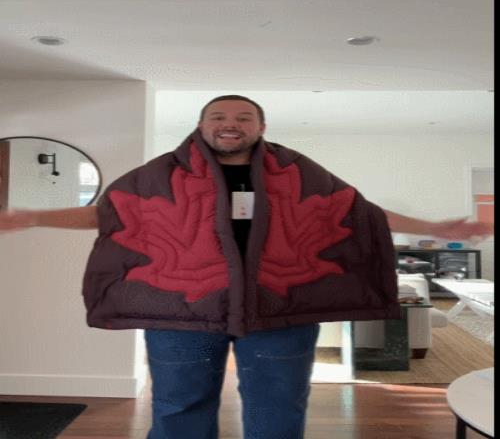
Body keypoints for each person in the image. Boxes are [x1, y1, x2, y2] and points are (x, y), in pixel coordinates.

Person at [0, 95, 493, 439]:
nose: (230, 123)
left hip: (279, 312)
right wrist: (34, 217)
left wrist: (431, 225)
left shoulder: (297, 171)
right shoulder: (159, 175)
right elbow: (109, 214)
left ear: (261, 127)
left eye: (244, 117)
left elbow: (355, 213)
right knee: (178, 407)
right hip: (182, 314)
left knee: (278, 408)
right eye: (218, 116)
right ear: (201, 125)